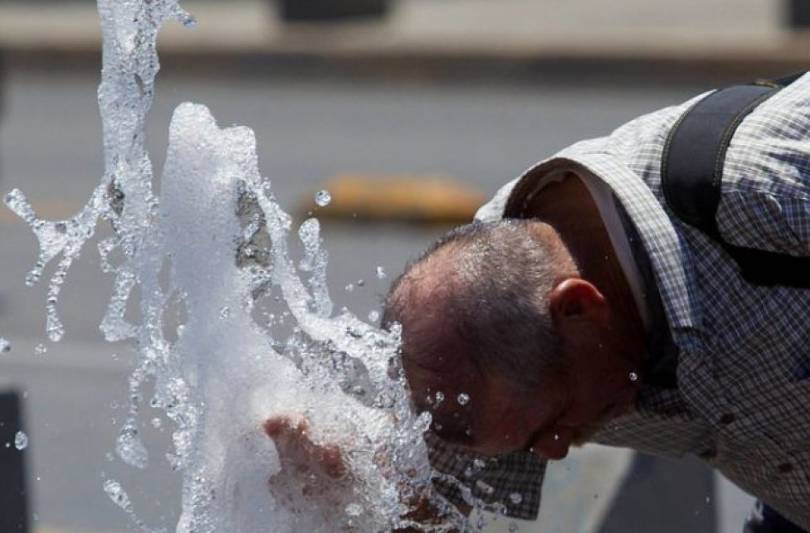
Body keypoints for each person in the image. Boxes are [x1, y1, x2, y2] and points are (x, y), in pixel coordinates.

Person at [267, 72, 810, 532]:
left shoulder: (771, 197)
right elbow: (434, 510)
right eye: (529, 443)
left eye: (555, 422)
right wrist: (348, 479)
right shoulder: (486, 337)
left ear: (580, 310)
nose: (553, 449)